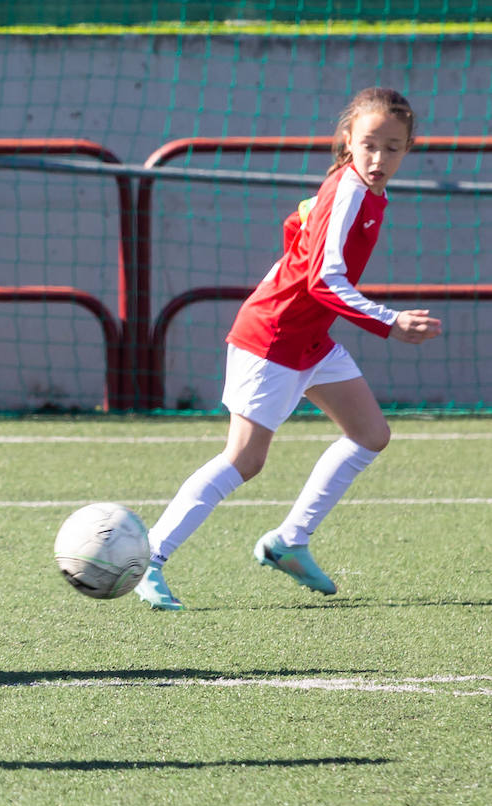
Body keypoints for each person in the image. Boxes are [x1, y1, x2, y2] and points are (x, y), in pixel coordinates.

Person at [134, 87, 443, 612]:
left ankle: (288, 542)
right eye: (369, 144)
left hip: (311, 341)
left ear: (408, 148)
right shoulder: (347, 189)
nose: (379, 157)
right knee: (245, 460)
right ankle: (149, 560)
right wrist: (390, 322)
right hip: (272, 338)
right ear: (348, 140)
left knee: (370, 435)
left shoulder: (365, 193)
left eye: (393, 147)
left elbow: (303, 235)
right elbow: (325, 280)